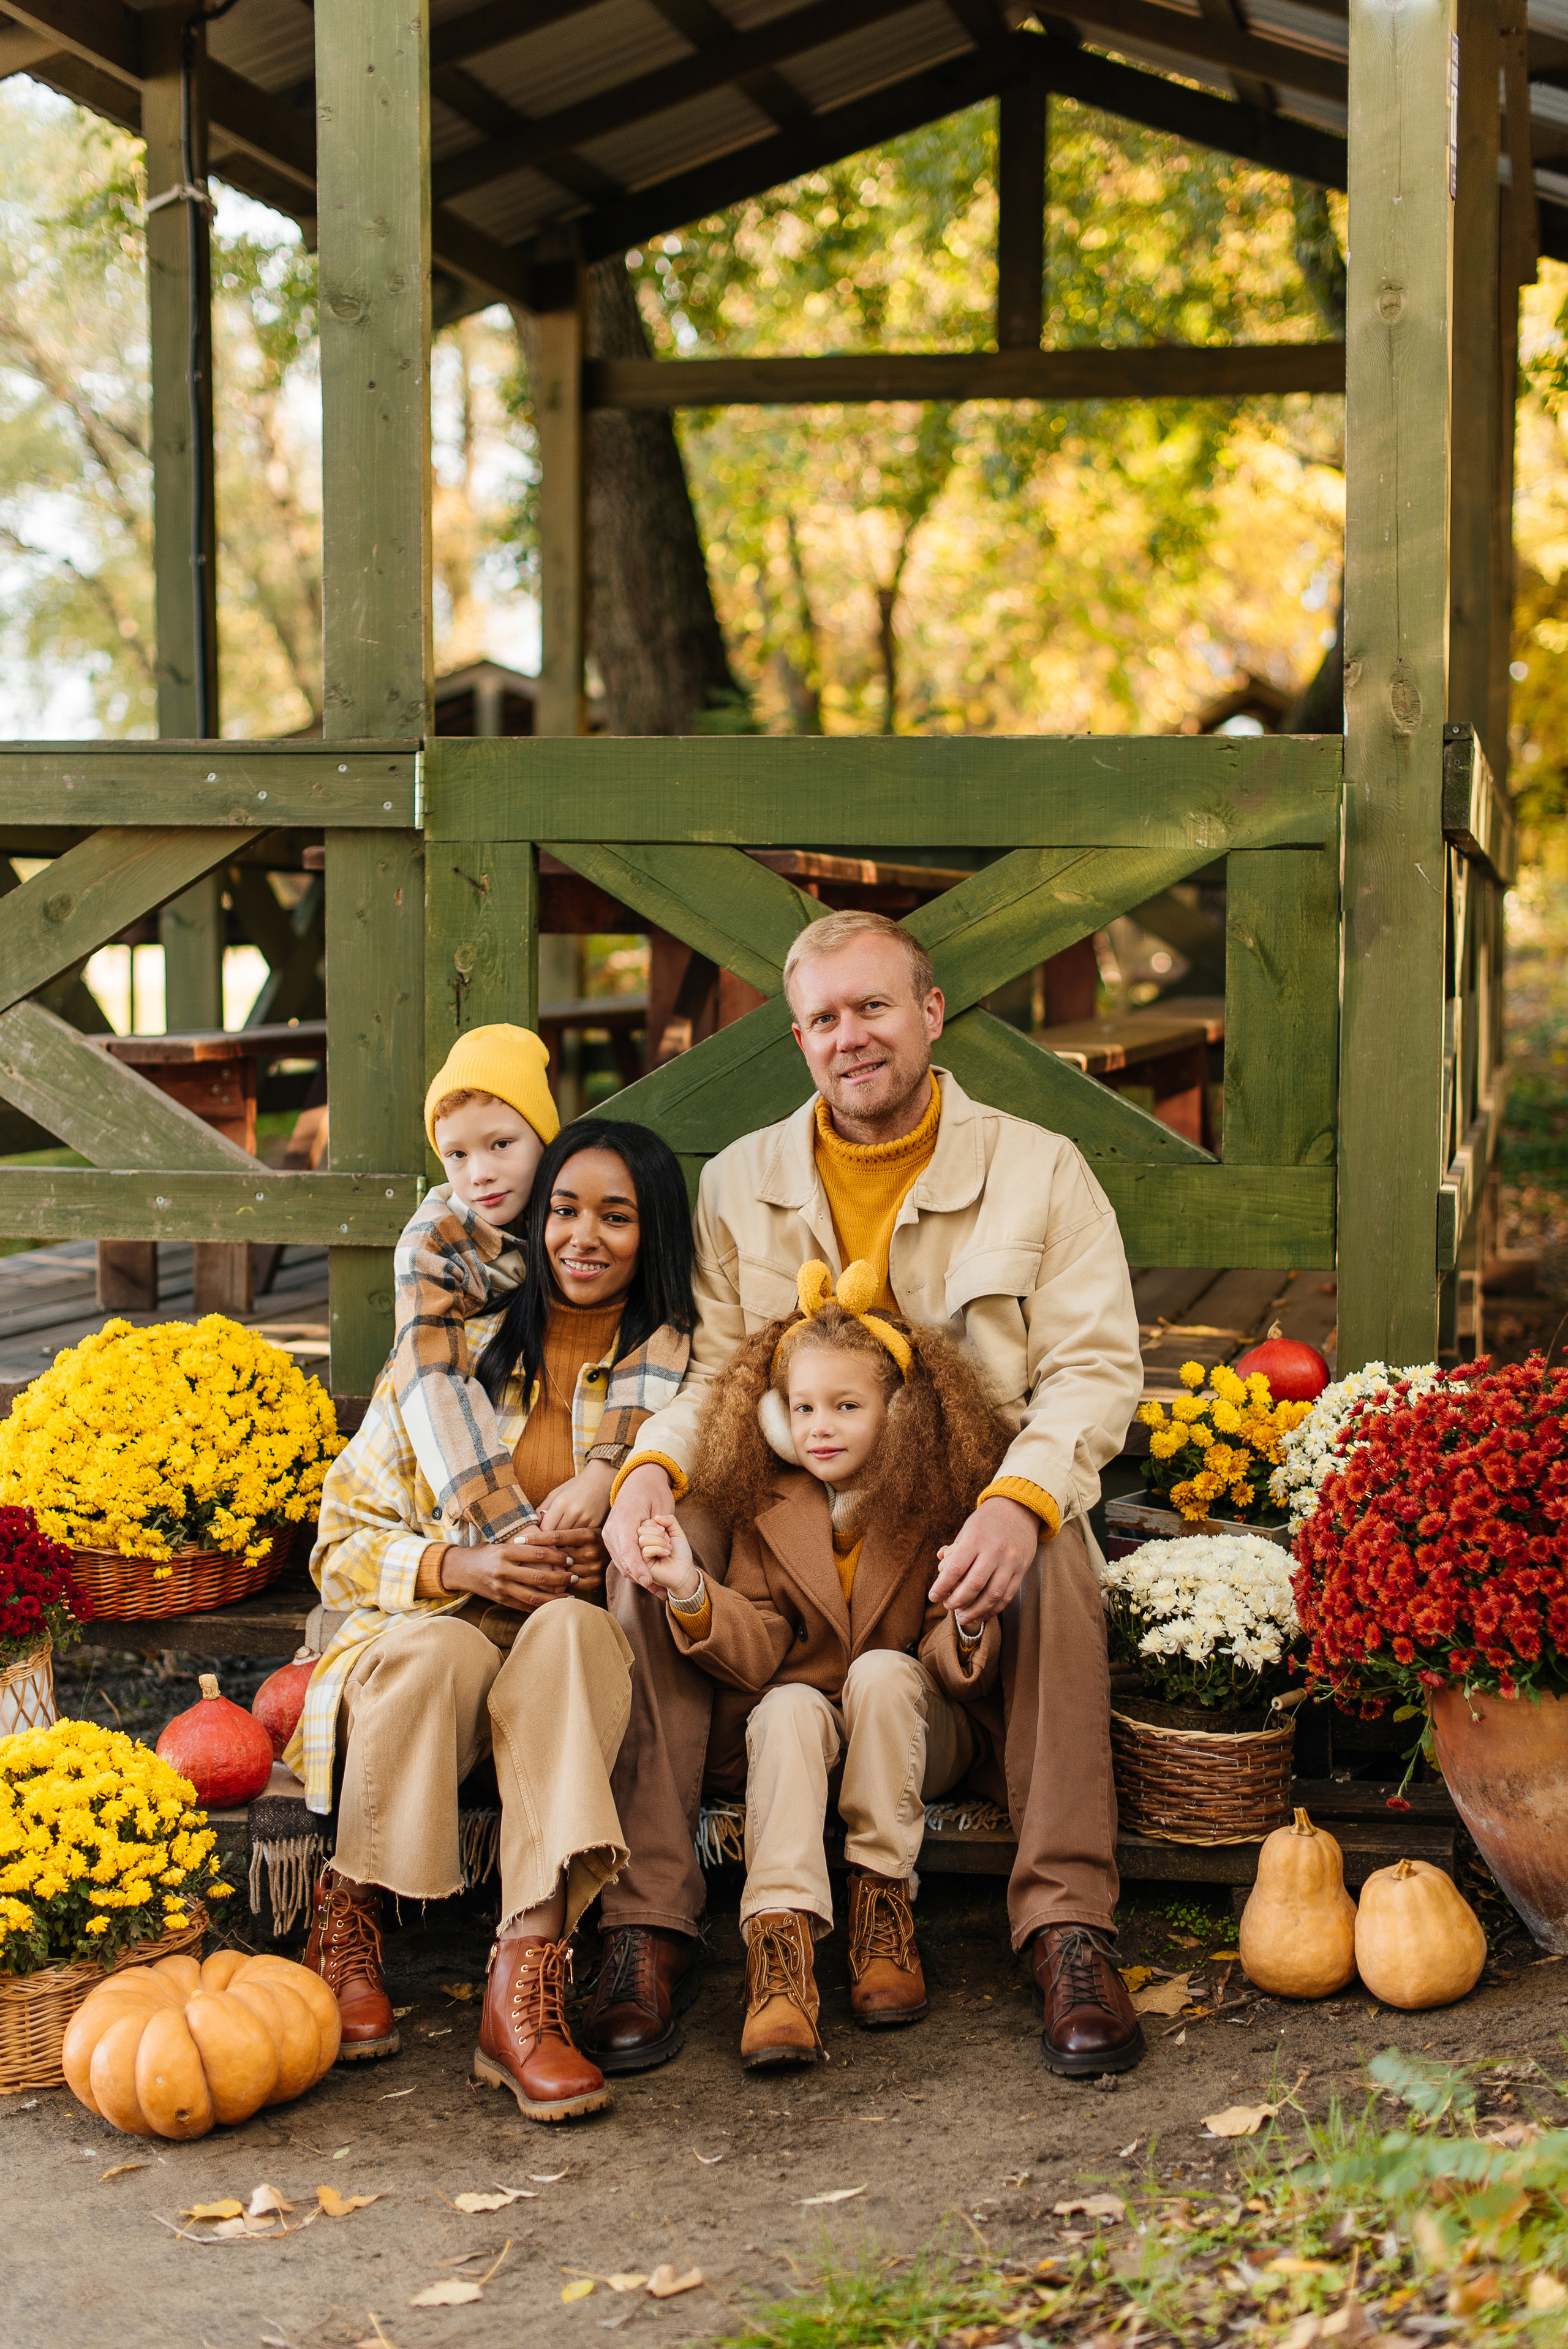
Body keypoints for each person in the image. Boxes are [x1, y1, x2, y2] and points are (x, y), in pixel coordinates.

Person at [586, 909, 1148, 2079]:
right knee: (649, 1537)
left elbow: (1093, 1369)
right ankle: (648, 1917)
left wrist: (1021, 1495)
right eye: (826, 1018)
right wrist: (649, 1470)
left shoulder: (1037, 1168)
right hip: (790, 1517)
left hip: (962, 1505)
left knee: (1060, 1545)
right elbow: (716, 1377)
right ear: (799, 1038)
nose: (853, 1036)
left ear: (931, 1015)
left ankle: (1066, 1922)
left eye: (875, 1006)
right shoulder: (746, 1181)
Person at [285, 1118, 695, 2122]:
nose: (582, 1236)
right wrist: (458, 1561)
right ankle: (352, 1913)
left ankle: (525, 1978)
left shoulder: (673, 1384)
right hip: (446, 1668)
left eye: (616, 1216)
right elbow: (337, 1542)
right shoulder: (445, 1365)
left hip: (570, 1675)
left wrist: (606, 1537)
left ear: (656, 1237)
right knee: (433, 1643)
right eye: (562, 1209)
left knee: (565, 1631)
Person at [635, 1258, 1010, 2067]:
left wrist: (973, 1624)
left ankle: (882, 1906)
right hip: (802, 1742)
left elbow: (948, 1656)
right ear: (774, 1416)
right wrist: (692, 1588)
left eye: (846, 1405)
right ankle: (780, 1947)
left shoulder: (936, 1500)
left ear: (898, 1412)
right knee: (788, 1703)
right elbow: (760, 1643)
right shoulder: (768, 1507)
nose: (820, 1427)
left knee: (880, 1672)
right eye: (802, 1408)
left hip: (913, 1731)